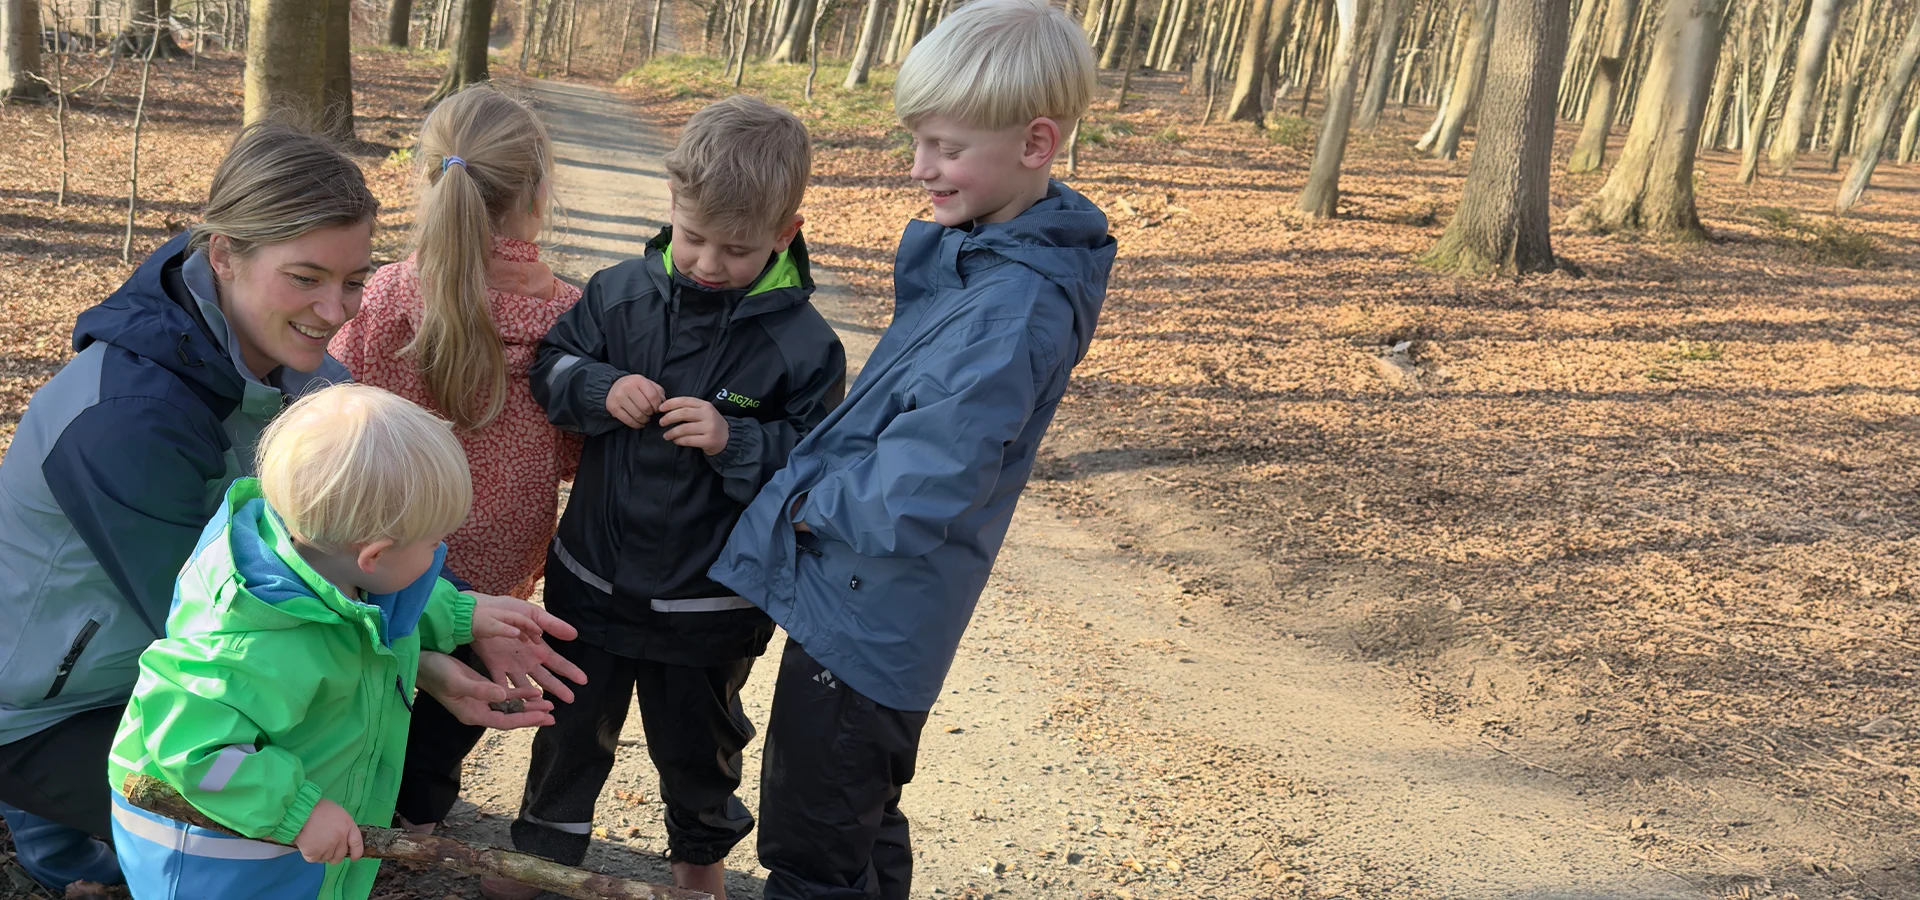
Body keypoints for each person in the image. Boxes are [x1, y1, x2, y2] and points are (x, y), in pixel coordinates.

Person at [0, 123, 568, 894]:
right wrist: (422, 662)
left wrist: (463, 615)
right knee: (280, 799)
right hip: (47, 707)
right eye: (305, 277)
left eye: (354, 280)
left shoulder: (301, 375)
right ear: (224, 253)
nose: (335, 310)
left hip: (163, 667)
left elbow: (345, 543)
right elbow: (224, 620)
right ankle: (61, 830)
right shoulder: (126, 418)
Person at [706, 1, 1117, 896]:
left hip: (872, 614)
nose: (922, 168)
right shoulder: (978, 257)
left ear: (1036, 143)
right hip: (864, 606)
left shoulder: (1012, 307)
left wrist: (813, 504)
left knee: (813, 846)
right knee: (860, 825)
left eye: (946, 146)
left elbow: (925, 481)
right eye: (918, 141)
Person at [500, 95, 844, 900]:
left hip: (709, 606)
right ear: (671, 210)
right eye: (693, 238)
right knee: (568, 728)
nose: (707, 263)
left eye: (736, 248)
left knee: (700, 743)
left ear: (785, 234)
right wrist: (598, 384)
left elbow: (823, 469)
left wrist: (740, 440)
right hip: (590, 579)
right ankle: (542, 857)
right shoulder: (619, 295)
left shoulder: (802, 346)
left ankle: (699, 866)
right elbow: (550, 369)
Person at [105, 384, 568, 900]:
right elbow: (196, 750)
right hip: (226, 858)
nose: (440, 554)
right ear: (372, 554)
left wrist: (459, 613)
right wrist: (297, 814)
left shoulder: (314, 555)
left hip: (285, 838)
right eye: (434, 543)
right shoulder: (252, 641)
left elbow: (367, 606)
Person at [328, 84, 586, 834]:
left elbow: (337, 410)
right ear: (538, 195)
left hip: (387, 553)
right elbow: (573, 452)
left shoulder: (385, 296)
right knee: (452, 711)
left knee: (375, 681)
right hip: (499, 575)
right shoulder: (574, 317)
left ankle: (353, 808)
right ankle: (416, 819)